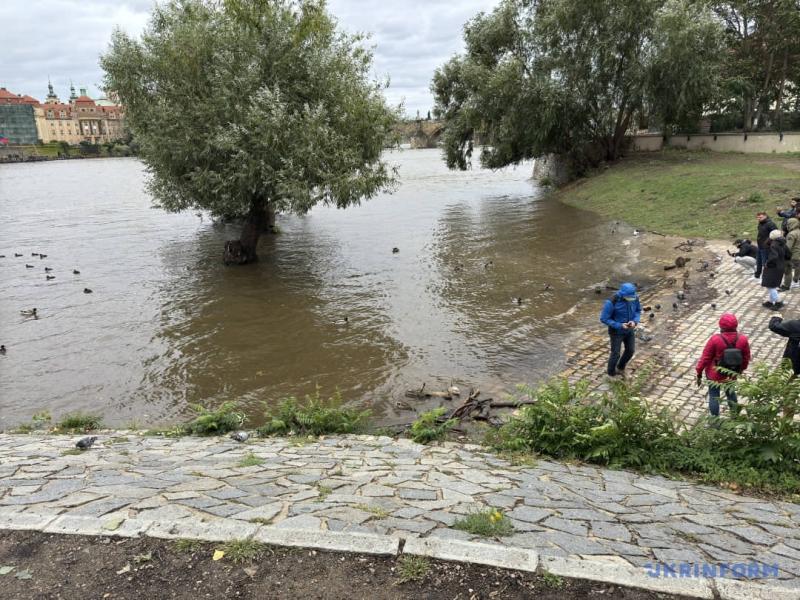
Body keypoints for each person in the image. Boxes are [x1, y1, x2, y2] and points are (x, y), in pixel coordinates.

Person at [695, 313, 750, 417]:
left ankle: (715, 421)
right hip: (731, 373)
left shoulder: (715, 339)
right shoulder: (743, 339)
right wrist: (741, 370)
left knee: (714, 396)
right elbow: (746, 357)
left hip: (715, 374)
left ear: (721, 326)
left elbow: (705, 358)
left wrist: (699, 372)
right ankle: (735, 415)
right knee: (731, 393)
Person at [600, 282, 641, 379]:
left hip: (629, 329)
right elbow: (604, 318)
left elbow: (638, 311)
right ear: (622, 294)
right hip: (616, 332)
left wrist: (634, 321)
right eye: (629, 297)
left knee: (630, 350)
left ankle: (620, 367)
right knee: (615, 354)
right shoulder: (611, 302)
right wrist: (619, 325)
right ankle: (611, 374)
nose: (631, 299)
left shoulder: (635, 298)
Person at [762, 229, 790, 309]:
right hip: (780, 266)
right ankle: (770, 301)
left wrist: (768, 263)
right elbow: (789, 254)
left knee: (770, 285)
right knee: (772, 285)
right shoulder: (783, 243)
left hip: (773, 267)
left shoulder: (773, 245)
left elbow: (773, 256)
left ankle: (778, 302)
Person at [754, 211, 777, 279]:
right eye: (757, 217)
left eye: (760, 217)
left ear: (765, 216)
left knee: (765, 262)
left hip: (766, 247)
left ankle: (767, 277)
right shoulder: (761, 223)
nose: (759, 219)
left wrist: (768, 243)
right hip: (760, 245)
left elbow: (775, 234)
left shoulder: (770, 224)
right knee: (758, 261)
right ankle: (757, 275)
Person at [783, 218, 800, 290]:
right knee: (798, 268)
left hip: (793, 255)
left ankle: (786, 285)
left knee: (787, 270)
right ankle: (796, 281)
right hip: (798, 255)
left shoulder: (791, 234)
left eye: (788, 224)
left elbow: (788, 247)